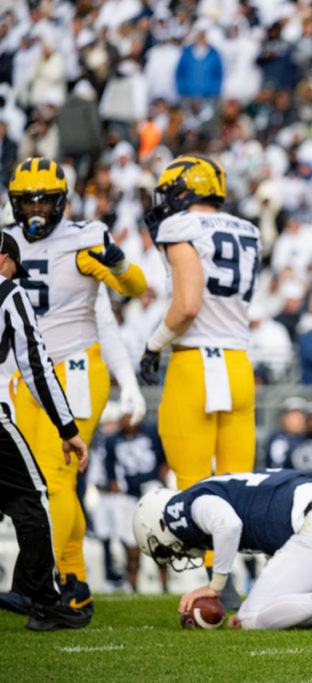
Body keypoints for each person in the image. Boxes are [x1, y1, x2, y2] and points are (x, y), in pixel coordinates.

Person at [1, 157, 147, 620]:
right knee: (36, 482)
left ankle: (31, 583)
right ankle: (75, 584)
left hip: (77, 367)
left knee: (55, 478)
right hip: (28, 375)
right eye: (28, 201)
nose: (37, 208)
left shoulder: (87, 235)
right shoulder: (7, 241)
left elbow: (134, 288)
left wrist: (118, 264)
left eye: (44, 199)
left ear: (62, 201)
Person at [139, 153, 261, 609]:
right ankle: (253, 584)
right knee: (239, 484)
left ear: (184, 192)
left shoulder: (180, 227)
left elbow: (187, 305)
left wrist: (153, 343)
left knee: (196, 485)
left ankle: (218, 589)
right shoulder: (248, 229)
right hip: (238, 362)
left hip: (195, 365)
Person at [131, 468, 312, 631]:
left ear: (158, 524)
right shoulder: (219, 487)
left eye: (166, 550)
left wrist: (215, 588)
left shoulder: (179, 508)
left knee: (252, 619)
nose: (177, 556)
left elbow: (228, 524)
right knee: (292, 608)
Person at [0, 232, 91, 630]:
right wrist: (67, 427)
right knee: (33, 498)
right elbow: (35, 363)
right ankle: (44, 602)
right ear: (4, 260)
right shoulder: (9, 293)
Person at [103, 413, 169, 592]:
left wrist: (163, 476)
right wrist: (115, 483)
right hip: (129, 495)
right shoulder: (112, 441)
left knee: (162, 542)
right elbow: (110, 470)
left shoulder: (151, 432)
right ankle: (133, 585)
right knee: (131, 545)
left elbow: (164, 459)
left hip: (153, 492)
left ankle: (164, 585)